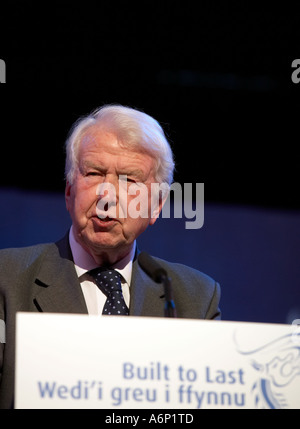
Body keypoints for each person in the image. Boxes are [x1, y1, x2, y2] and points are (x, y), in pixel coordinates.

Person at [0, 104, 221, 408]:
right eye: (93, 173)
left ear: (156, 205)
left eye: (130, 179)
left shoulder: (194, 298)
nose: (108, 196)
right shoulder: (6, 279)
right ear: (69, 191)